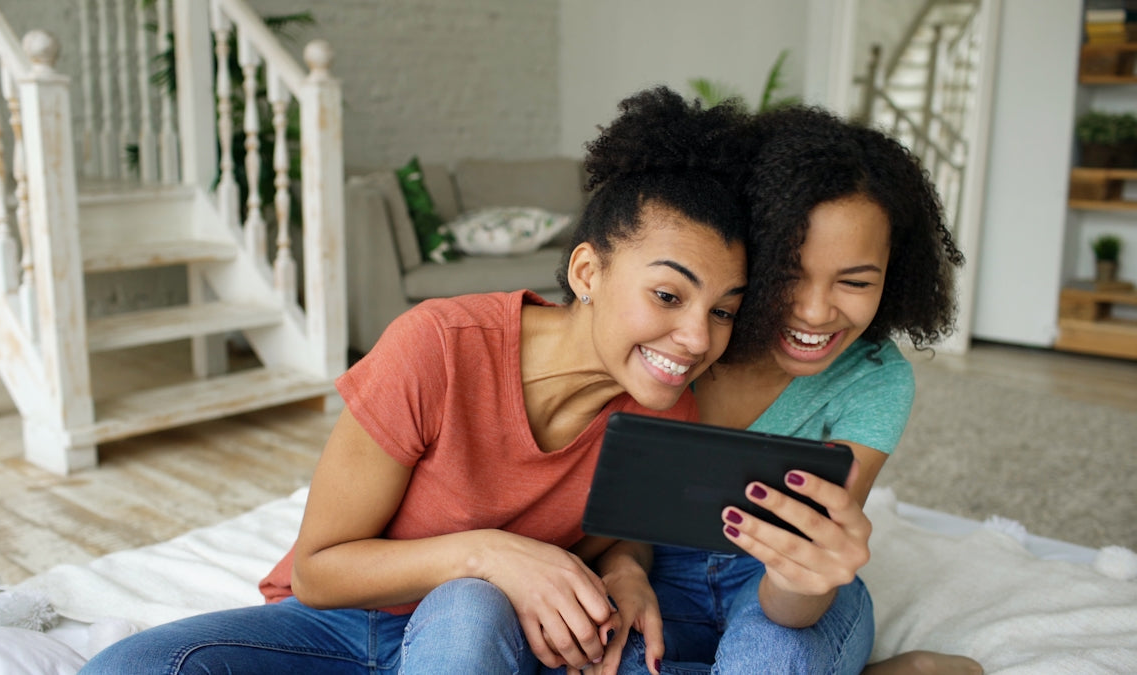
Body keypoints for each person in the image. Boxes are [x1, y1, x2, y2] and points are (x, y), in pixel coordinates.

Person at [79, 86, 760, 674]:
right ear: (587, 273)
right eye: (669, 296)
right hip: (340, 626)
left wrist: (626, 569)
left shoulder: (668, 407)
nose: (699, 338)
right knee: (128, 666)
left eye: (723, 309)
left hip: (490, 637)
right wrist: (490, 552)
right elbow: (318, 569)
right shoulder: (439, 346)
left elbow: (618, 526)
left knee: (467, 610)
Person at [592, 105, 979, 675]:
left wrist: (798, 580)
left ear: (892, 279)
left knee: (769, 659)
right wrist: (624, 566)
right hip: (652, 573)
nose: (817, 312)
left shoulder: (874, 379)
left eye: (855, 281)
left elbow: (801, 582)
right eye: (789, 274)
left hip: (785, 591)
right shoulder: (676, 341)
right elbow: (616, 520)